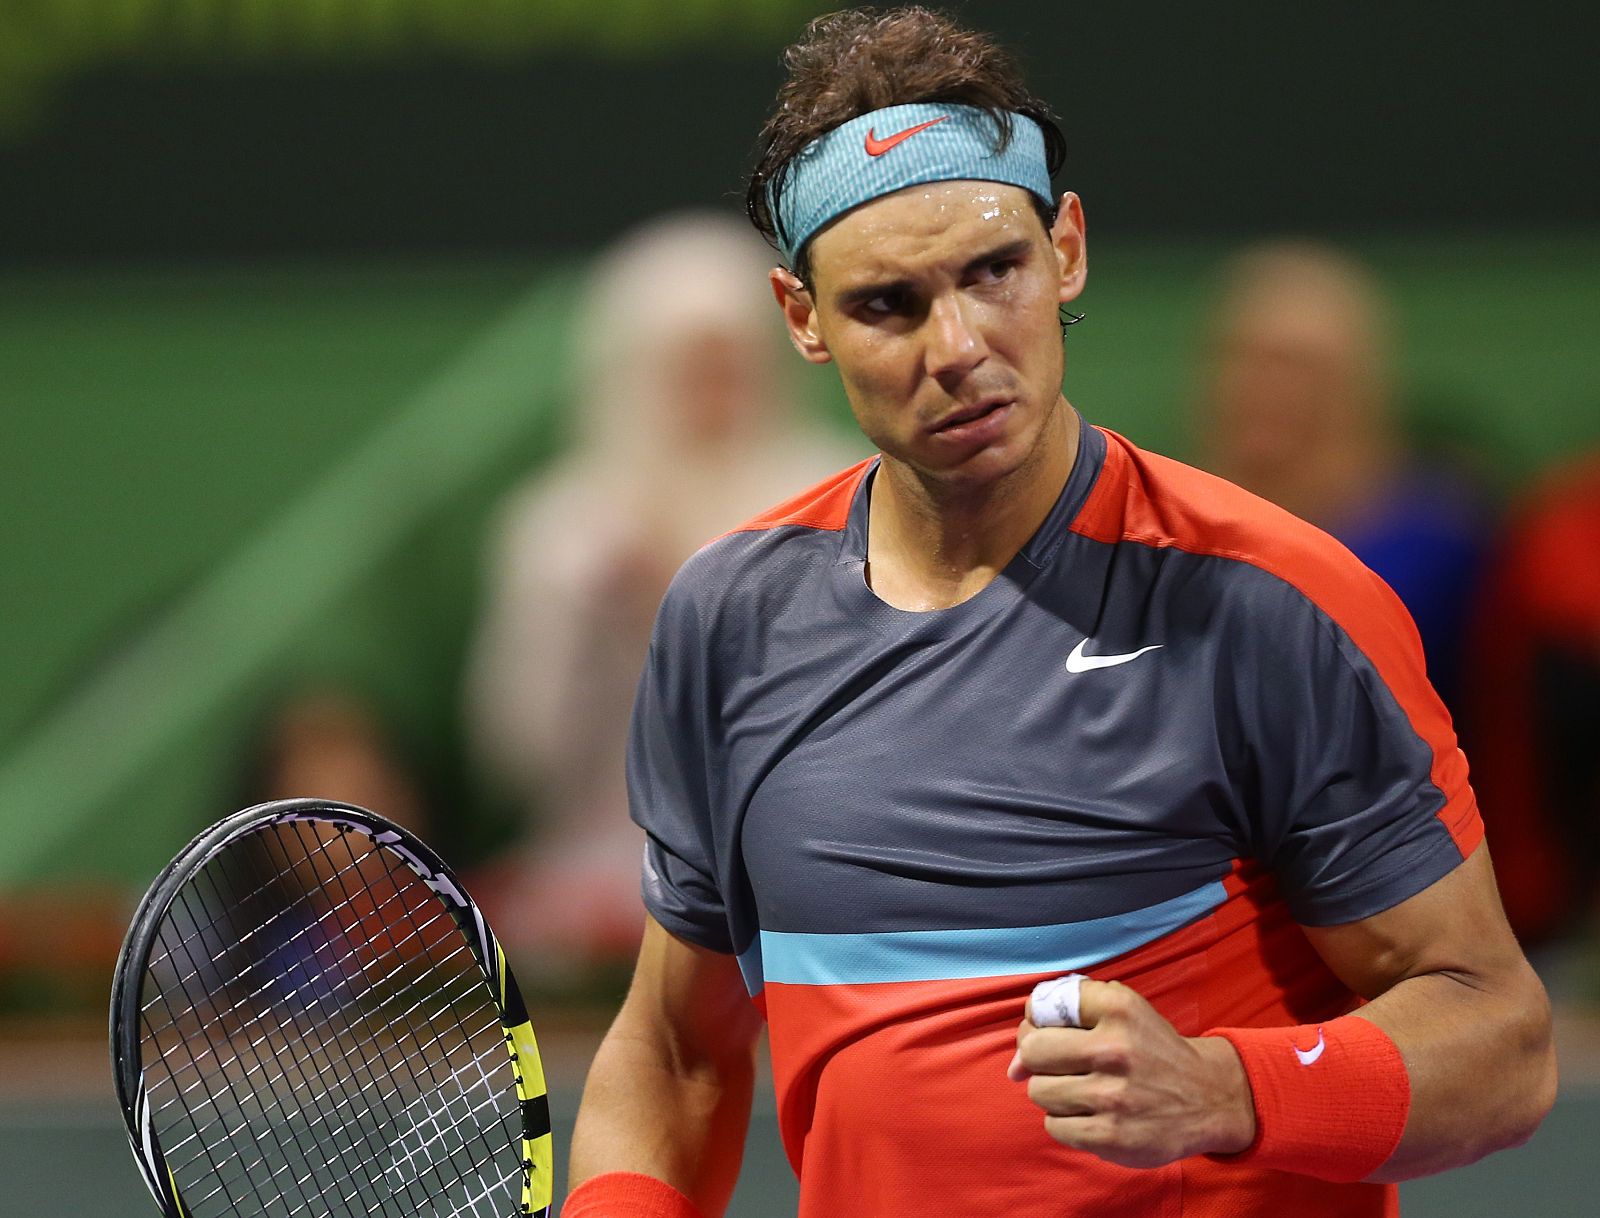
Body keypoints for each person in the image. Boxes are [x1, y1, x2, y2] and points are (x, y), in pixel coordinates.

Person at [563, 9, 1555, 1218]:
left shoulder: (1268, 603)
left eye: (995, 271)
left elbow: (1500, 1038)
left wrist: (1227, 1089)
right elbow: (673, 1053)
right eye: (888, 304)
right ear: (802, 319)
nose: (962, 345)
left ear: (1066, 250)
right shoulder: (729, 620)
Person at [463, 211, 857, 977]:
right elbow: (516, 755)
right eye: (686, 368)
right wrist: (579, 620)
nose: (712, 394)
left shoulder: (841, 496)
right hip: (595, 899)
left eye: (730, 365)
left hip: (800, 895)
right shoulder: (563, 526)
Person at [1195, 241, 1492, 713]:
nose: (1266, 388)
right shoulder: (1156, 538)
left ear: (1361, 383)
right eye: (1243, 359)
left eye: (1297, 365)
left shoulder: (1446, 551)